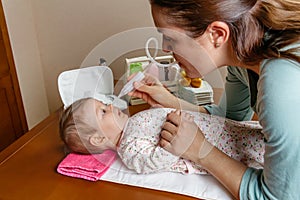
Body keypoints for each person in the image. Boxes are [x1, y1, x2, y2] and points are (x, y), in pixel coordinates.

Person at [128, 0, 300, 199]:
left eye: (170, 38)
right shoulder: (242, 58)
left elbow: (277, 197)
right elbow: (230, 116)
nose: (165, 49)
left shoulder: (282, 83)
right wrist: (170, 102)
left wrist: (201, 151)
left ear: (217, 34)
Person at [59, 98, 264, 174]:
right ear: (98, 139)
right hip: (217, 145)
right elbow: (151, 162)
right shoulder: (129, 147)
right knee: (256, 149)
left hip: (220, 128)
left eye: (104, 104)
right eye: (103, 111)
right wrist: (176, 146)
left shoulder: (132, 124)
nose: (111, 106)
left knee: (252, 132)